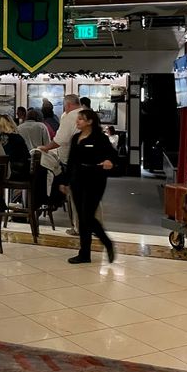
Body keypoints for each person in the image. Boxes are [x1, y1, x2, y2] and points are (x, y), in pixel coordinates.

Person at [59, 108, 117, 264]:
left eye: (81, 119)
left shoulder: (100, 138)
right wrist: (65, 181)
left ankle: (106, 242)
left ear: (90, 122)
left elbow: (112, 155)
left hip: (95, 179)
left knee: (87, 215)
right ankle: (84, 253)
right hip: (77, 179)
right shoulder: (75, 138)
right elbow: (71, 161)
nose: (77, 122)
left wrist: (109, 162)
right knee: (82, 217)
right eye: (77, 119)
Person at [39, 94, 84, 232]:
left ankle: (78, 227)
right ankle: (91, 226)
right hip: (88, 161)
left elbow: (61, 140)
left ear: (68, 105)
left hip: (73, 160)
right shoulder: (86, 114)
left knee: (76, 196)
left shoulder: (70, 116)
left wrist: (45, 148)